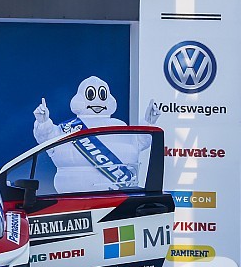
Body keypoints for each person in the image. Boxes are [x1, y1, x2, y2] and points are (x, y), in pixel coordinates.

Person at [32, 76, 161, 193]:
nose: (97, 100)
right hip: (71, 202)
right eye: (90, 95)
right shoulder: (68, 127)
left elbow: (139, 142)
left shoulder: (119, 126)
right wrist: (43, 122)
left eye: (102, 95)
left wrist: (148, 123)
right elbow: (47, 138)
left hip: (115, 201)